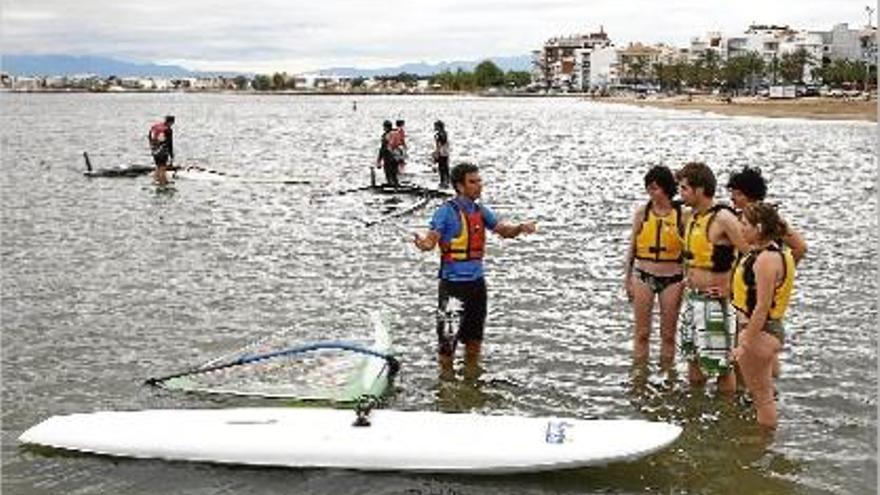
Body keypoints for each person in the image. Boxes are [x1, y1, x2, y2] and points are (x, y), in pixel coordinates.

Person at [413, 162, 537, 374]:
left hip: (477, 286)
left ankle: (472, 383)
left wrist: (520, 228)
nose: (479, 186)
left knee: (474, 341)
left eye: (479, 181)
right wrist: (423, 244)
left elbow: (503, 230)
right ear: (460, 186)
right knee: (447, 344)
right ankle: (447, 385)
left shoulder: (480, 211)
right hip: (453, 287)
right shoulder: (445, 212)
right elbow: (431, 241)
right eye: (473, 182)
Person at [676, 162, 748, 393]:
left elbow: (750, 255)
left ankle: (726, 416)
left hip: (715, 302)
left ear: (699, 190)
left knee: (721, 367)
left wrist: (730, 288)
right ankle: (695, 413)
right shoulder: (690, 217)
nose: (681, 193)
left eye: (684, 188)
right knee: (693, 359)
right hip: (692, 298)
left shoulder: (724, 218)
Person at [731, 202, 796, 429]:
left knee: (763, 400)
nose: (740, 227)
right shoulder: (779, 253)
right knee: (765, 394)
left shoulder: (765, 260)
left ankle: (760, 448)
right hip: (768, 329)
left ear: (758, 228)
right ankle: (763, 447)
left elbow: (761, 307)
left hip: (760, 331)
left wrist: (745, 344)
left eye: (745, 224)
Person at [624, 166, 685, 366]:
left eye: (655, 188)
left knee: (668, 335)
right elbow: (632, 247)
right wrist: (627, 280)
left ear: (666, 189)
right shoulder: (643, 212)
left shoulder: (681, 215)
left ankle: (667, 376)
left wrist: (688, 279)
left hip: (673, 279)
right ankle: (640, 379)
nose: (651, 193)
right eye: (648, 188)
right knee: (641, 333)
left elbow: (691, 251)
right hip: (643, 276)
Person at [726, 166, 807, 263]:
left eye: (738, 194)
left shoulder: (770, 218)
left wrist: (781, 271)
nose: (732, 198)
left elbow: (800, 247)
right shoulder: (733, 217)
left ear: (752, 196)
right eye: (732, 194)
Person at [148, 115, 175, 185]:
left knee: (158, 166)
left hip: (154, 150)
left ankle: (155, 180)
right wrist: (171, 155)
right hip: (163, 151)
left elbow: (149, 137)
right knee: (163, 168)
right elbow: (170, 143)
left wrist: (152, 147)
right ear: (171, 122)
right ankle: (163, 183)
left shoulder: (155, 127)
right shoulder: (168, 130)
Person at [376, 120, 399, 186]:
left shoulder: (386, 136)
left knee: (389, 174)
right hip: (396, 157)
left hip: (388, 157)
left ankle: (391, 186)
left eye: (384, 127)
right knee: (394, 174)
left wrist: (379, 160)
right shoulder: (396, 133)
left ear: (386, 127)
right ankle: (396, 185)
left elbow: (383, 148)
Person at [433, 120, 451, 188]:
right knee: (446, 168)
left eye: (435, 126)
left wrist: (436, 154)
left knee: (441, 168)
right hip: (446, 152)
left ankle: (443, 182)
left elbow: (439, 145)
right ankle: (447, 182)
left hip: (441, 153)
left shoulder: (438, 135)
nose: (434, 127)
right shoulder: (445, 133)